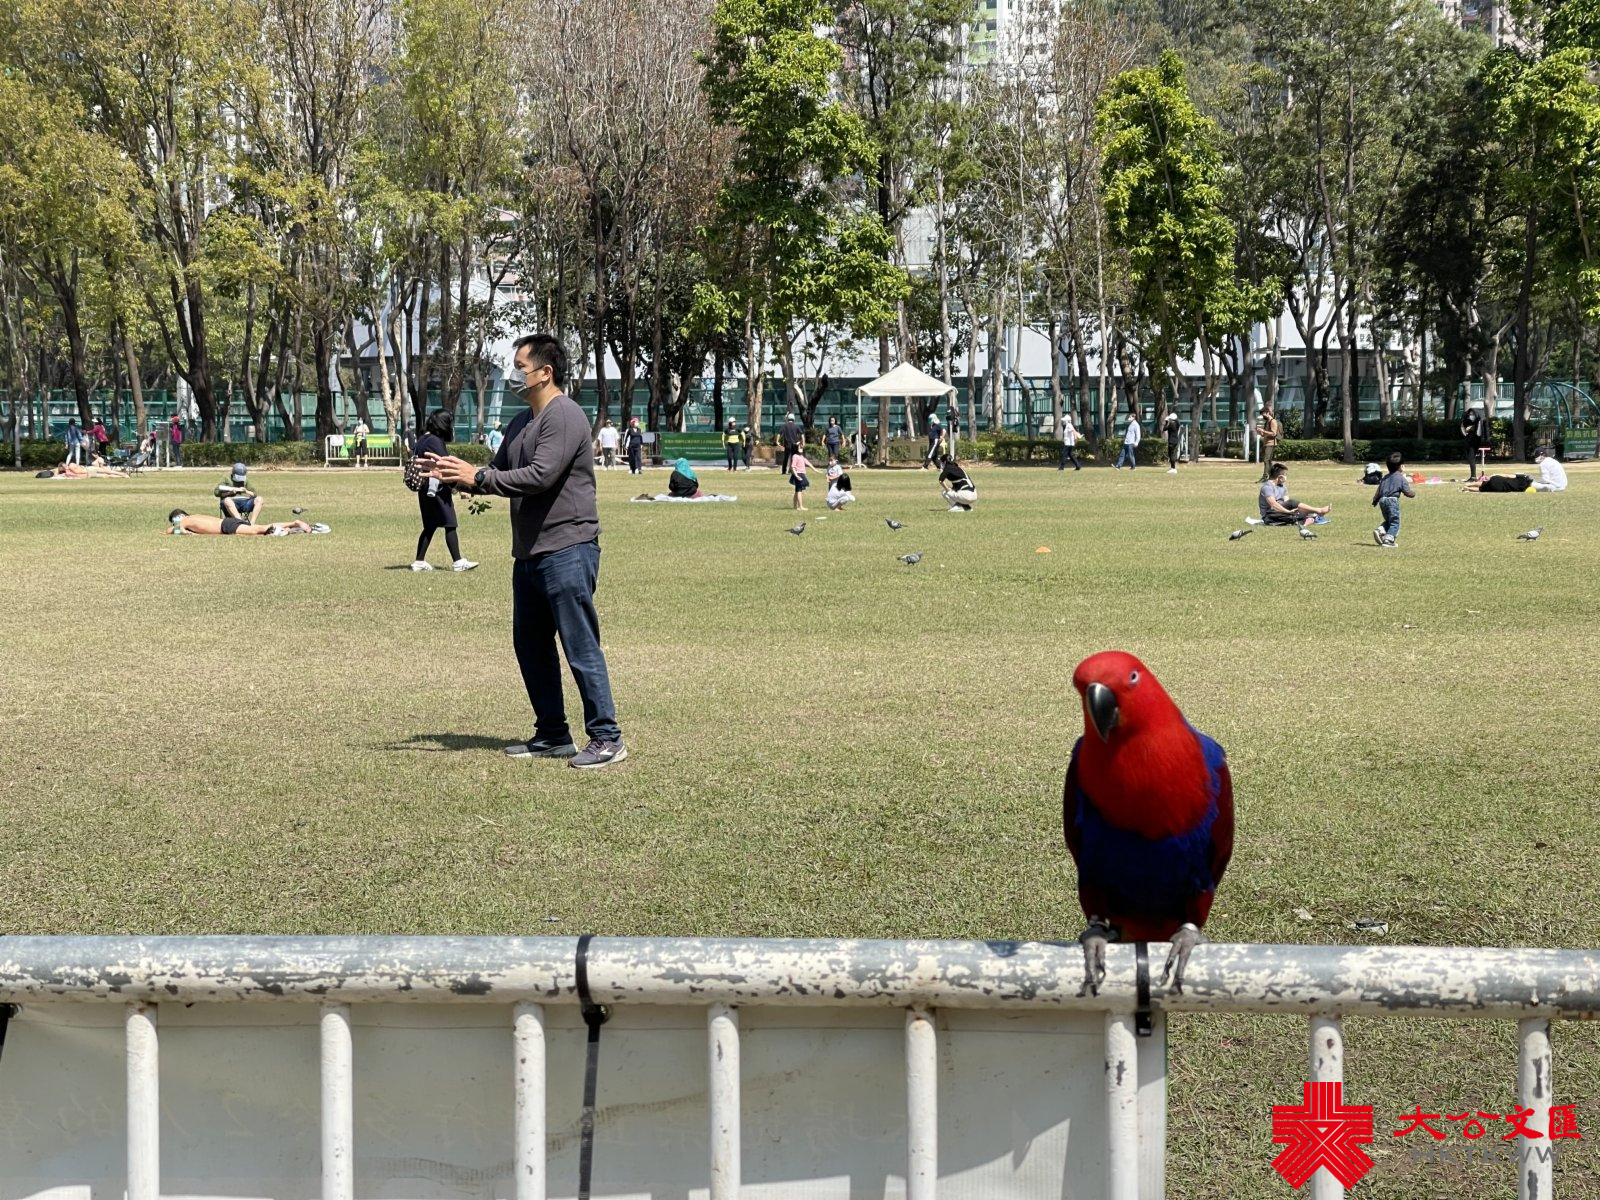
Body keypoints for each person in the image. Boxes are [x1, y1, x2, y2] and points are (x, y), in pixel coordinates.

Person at [421, 332, 626, 769]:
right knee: (531, 645)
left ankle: (607, 737)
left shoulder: (564, 415)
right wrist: (448, 473)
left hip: (569, 548)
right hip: (530, 553)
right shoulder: (519, 422)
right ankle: (553, 733)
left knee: (579, 644)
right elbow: (494, 474)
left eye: (520, 366)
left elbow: (539, 476)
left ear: (545, 372)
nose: (514, 374)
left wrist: (477, 477)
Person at [411, 409, 478, 572]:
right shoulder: (435, 441)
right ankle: (458, 562)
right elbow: (446, 465)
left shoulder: (423, 439)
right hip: (437, 489)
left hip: (424, 488)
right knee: (450, 523)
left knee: (430, 524)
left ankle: (419, 561)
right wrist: (462, 486)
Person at [1258, 462, 1329, 528]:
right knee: (1292, 504)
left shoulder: (1282, 486)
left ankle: (1310, 518)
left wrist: (1294, 510)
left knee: (1300, 512)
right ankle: (1318, 511)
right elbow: (1274, 505)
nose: (1286, 476)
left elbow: (1287, 502)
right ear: (1280, 477)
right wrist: (1288, 512)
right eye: (1285, 474)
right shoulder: (1267, 487)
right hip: (1269, 515)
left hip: (1281, 512)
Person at [1369, 451, 1415, 547]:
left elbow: (1379, 490)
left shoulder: (1385, 477)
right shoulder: (1401, 478)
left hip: (1382, 501)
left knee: (1389, 520)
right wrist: (1413, 494)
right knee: (1395, 521)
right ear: (1401, 466)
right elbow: (1408, 492)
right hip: (1392, 501)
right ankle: (1388, 540)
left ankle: (1380, 530)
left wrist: (1375, 500)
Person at [166, 509, 315, 536]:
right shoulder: (194, 517)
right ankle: (292, 527)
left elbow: (171, 531)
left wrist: (183, 532)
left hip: (226, 526)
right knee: (258, 530)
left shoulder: (184, 521)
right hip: (228, 522)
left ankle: (294, 523)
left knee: (257, 530)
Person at [1254, 406, 1282, 481]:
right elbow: (1264, 435)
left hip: (1271, 443)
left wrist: (1263, 431)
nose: (1263, 416)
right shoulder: (1267, 422)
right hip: (1266, 443)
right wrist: (1260, 431)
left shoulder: (1273, 421)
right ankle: (1271, 476)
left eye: (1263, 414)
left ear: (1267, 413)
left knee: (1266, 460)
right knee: (1268, 461)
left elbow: (1273, 433)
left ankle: (1265, 476)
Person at [1461, 408, 1489, 480]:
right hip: (1470, 441)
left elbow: (1481, 432)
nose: (1471, 415)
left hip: (1474, 442)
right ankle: (1473, 476)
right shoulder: (1468, 422)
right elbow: (1464, 429)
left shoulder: (1479, 421)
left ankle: (1473, 476)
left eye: (1472, 414)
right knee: (1470, 458)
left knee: (1471, 458)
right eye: (1470, 414)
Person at [789, 445, 813, 510]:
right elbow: (793, 467)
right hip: (799, 474)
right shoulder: (795, 456)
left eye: (802, 447)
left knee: (797, 491)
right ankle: (801, 507)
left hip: (801, 474)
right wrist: (796, 476)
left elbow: (807, 463)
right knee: (799, 490)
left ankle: (795, 507)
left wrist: (815, 469)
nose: (801, 448)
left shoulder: (801, 456)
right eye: (800, 447)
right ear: (796, 448)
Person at [779, 412, 803, 477]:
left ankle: (784, 471)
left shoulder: (784, 426)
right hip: (794, 445)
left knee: (786, 458)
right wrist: (802, 442)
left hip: (787, 444)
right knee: (793, 458)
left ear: (788, 419)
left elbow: (779, 433)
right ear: (794, 419)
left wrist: (777, 441)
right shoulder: (796, 426)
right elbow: (802, 434)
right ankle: (791, 471)